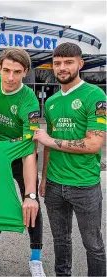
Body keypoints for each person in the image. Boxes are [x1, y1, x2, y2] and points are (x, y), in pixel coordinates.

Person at [33, 42, 106, 277]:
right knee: (61, 241)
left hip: (84, 184)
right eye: (57, 63)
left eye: (68, 62)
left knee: (93, 245)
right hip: (54, 184)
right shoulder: (52, 102)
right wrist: (44, 179)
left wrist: (52, 141)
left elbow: (94, 144)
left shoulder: (95, 95)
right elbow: (48, 147)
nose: (62, 68)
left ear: (80, 64)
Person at [0, 48, 44, 277]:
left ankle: (36, 259)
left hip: (20, 156)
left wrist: (30, 194)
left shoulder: (29, 101)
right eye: (6, 70)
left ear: (25, 72)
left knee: (31, 206)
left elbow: (30, 147)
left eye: (17, 72)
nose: (10, 78)